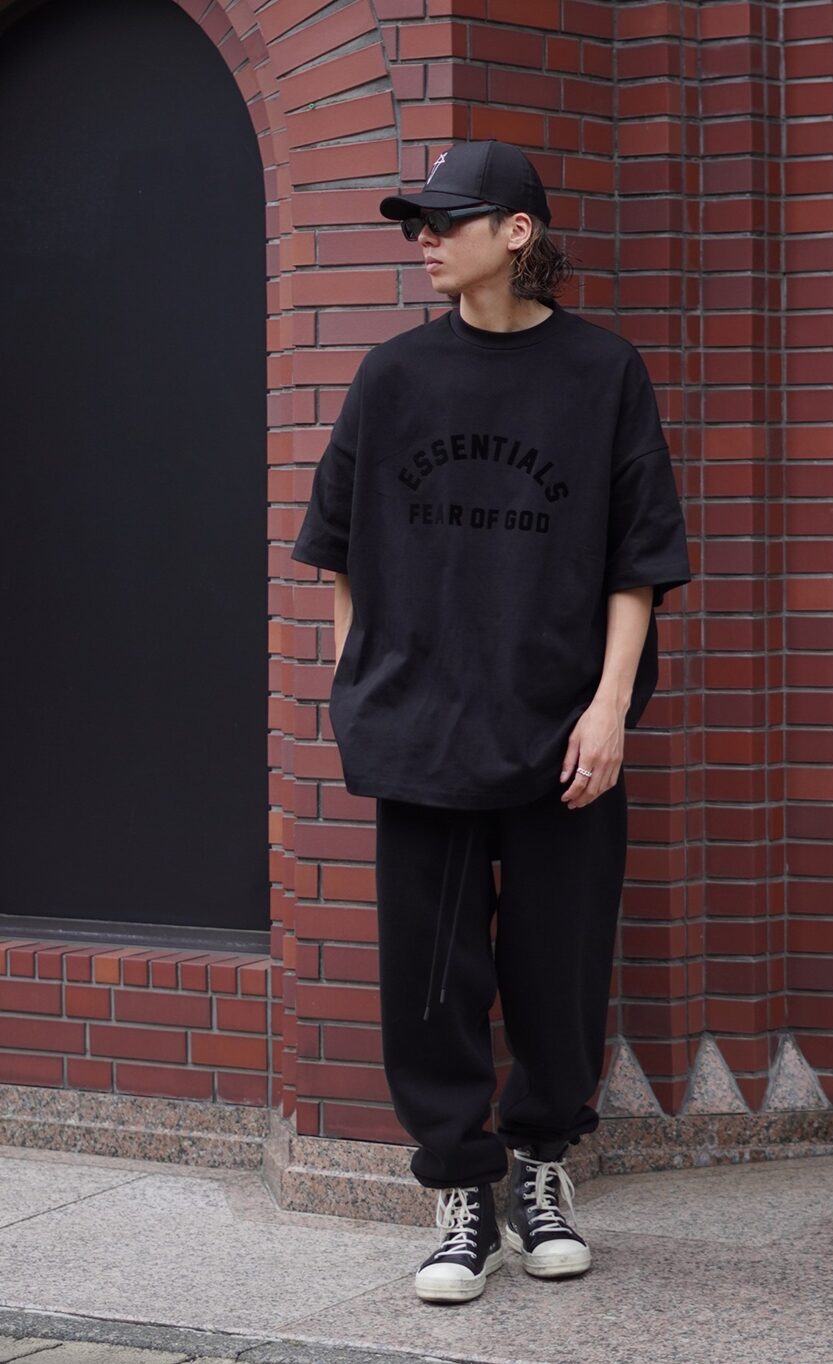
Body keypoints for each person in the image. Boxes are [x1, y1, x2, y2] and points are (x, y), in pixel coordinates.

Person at [291, 139, 692, 1304]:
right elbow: (339, 547)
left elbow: (638, 563)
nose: (424, 239)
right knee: (429, 980)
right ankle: (461, 1191)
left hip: (563, 731)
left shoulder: (603, 372)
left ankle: (541, 1167)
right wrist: (358, 678)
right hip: (421, 729)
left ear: (518, 232)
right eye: (416, 221)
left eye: (446, 220)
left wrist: (610, 709)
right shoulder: (393, 376)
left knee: (559, 969)